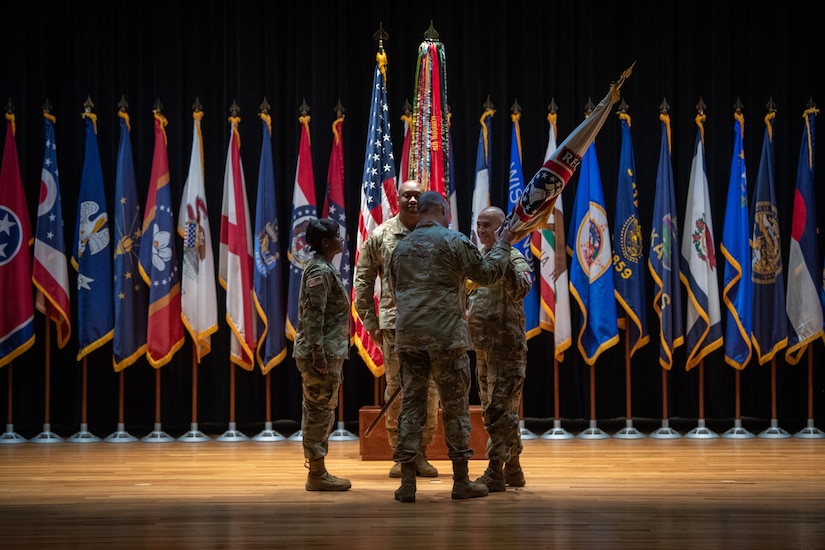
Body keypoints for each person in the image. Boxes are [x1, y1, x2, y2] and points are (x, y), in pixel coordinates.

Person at [388, 191, 516, 503]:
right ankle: (461, 481)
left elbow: (394, 292)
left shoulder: (399, 247)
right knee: (455, 407)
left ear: (420, 214)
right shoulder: (453, 240)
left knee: (411, 408)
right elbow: (484, 274)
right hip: (446, 337)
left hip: (408, 337)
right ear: (443, 211)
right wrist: (503, 244)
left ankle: (407, 483)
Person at [353, 180, 440, 479]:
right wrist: (371, 323)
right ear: (398, 199)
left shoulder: (436, 234)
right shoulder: (381, 236)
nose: (413, 200)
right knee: (398, 391)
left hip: (432, 325)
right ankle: (401, 453)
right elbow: (362, 282)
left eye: (418, 195)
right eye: (407, 195)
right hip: (396, 326)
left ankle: (422, 453)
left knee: (429, 391)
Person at [467, 206, 532, 492]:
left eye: (487, 226)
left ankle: (495, 470)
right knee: (497, 410)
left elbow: (521, 289)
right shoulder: (477, 260)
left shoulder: (514, 258)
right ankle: (514, 466)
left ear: (501, 229)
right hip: (482, 347)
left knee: (499, 411)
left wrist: (504, 254)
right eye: (479, 225)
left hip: (507, 347)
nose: (482, 231)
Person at [293, 217, 352, 492]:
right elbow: (314, 317)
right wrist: (318, 355)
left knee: (321, 410)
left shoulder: (325, 268)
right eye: (337, 236)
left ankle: (318, 469)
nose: (342, 239)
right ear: (326, 242)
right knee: (318, 411)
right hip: (321, 354)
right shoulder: (320, 271)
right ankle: (316, 473)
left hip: (326, 351)